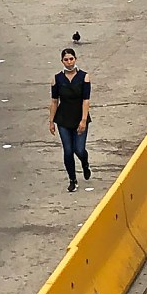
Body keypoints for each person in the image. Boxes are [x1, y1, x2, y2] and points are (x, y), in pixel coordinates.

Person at [50, 47, 93, 190]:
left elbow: (86, 100)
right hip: (63, 119)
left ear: (75, 59)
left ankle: (85, 163)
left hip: (79, 116)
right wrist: (51, 121)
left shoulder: (84, 77)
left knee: (79, 149)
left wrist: (83, 120)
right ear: (62, 61)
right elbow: (54, 101)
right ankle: (72, 180)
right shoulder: (57, 79)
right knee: (68, 150)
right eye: (66, 60)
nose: (69, 62)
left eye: (71, 59)